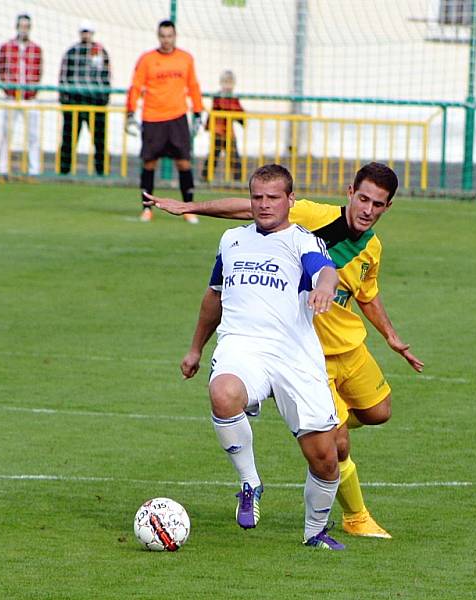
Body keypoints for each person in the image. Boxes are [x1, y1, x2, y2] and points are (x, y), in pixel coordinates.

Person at [145, 162, 424, 539]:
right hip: (296, 351)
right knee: (334, 443)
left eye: (377, 204)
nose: (367, 210)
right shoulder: (301, 219)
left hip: (337, 346)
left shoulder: (368, 246)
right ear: (349, 193)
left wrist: (390, 336)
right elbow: (248, 211)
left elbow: (358, 289)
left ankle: (317, 507)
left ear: (387, 207)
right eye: (363, 199)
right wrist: (190, 206)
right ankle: (348, 515)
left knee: (377, 414)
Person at [183, 163, 345, 550]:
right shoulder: (232, 240)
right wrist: (195, 348)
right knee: (222, 393)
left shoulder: (302, 240)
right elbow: (214, 296)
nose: (264, 205)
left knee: (325, 458)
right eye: (257, 197)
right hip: (243, 347)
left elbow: (326, 272)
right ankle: (250, 483)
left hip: (295, 356)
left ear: (291, 200)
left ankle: (315, 532)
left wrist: (323, 289)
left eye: (273, 197)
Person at [126, 19, 204, 223]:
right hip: (153, 118)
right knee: (149, 163)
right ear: (158, 36)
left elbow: (193, 86)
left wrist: (197, 112)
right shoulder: (147, 59)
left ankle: (188, 209)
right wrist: (130, 112)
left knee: (184, 162)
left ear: (175, 36)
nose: (166, 40)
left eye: (170, 36)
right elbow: (135, 86)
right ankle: (147, 209)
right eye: (163, 36)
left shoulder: (186, 58)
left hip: (177, 117)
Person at [58, 20, 111, 176]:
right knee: (69, 139)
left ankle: (101, 172)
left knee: (99, 140)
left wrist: (104, 99)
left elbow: (106, 76)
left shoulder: (101, 52)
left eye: (88, 32)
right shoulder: (72, 52)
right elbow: (63, 76)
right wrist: (65, 99)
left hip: (96, 103)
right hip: (74, 101)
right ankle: (64, 171)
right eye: (84, 32)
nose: (86, 35)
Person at [0, 13, 42, 176]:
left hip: (29, 99)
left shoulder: (36, 49)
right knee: (6, 133)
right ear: (16, 27)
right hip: (11, 97)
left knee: (33, 135)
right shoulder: (6, 47)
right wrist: (7, 89)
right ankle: (1, 167)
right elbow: (0, 68)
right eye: (21, 26)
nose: (24, 29)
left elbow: (39, 71)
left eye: (27, 26)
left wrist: (33, 91)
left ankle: (34, 169)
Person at [202, 70, 245, 182]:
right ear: (221, 83)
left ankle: (238, 179)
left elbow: (240, 112)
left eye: (230, 83)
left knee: (234, 156)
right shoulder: (218, 96)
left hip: (229, 132)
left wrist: (241, 119)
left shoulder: (234, 98)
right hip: (218, 130)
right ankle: (205, 177)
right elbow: (216, 109)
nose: (228, 86)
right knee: (213, 155)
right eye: (225, 82)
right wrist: (208, 126)